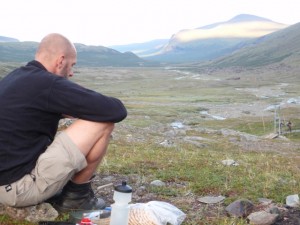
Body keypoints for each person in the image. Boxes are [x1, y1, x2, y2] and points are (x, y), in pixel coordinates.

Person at [0, 33, 127, 212]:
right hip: (17, 189)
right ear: (61, 61)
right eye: (71, 65)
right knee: (103, 123)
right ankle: (76, 197)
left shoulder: (16, 77)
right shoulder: (48, 83)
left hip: (5, 181)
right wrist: (79, 101)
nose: (71, 72)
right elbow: (116, 110)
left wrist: (64, 108)